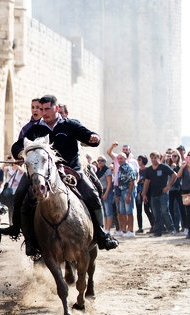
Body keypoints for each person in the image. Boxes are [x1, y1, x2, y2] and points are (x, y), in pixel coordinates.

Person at [11, 94, 119, 254]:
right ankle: (28, 240)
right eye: (41, 109)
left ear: (56, 108)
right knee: (22, 197)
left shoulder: (70, 125)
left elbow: (89, 136)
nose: (44, 112)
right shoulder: (35, 130)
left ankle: (102, 234)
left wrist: (93, 138)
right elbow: (17, 146)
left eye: (47, 109)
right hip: (43, 173)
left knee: (92, 195)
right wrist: (20, 153)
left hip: (72, 171)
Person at [0, 98, 41, 237]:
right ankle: (16, 227)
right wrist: (19, 154)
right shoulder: (26, 129)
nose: (35, 110)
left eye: (38, 107)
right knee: (19, 196)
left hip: (48, 170)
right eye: (33, 107)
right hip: (31, 171)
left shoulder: (48, 127)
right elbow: (17, 145)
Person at [142, 152, 178, 237]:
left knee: (165, 211)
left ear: (159, 158)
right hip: (153, 194)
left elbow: (174, 175)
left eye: (155, 158)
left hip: (163, 193)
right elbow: (146, 182)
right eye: (152, 158)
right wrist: (144, 194)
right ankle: (158, 231)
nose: (154, 160)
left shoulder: (163, 167)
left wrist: (168, 186)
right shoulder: (149, 169)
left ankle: (171, 229)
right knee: (156, 213)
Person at [115, 152, 136, 237]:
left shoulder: (129, 167)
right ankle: (123, 229)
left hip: (128, 191)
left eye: (121, 158)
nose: (119, 160)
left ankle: (130, 230)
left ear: (125, 159)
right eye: (118, 158)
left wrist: (129, 195)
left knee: (129, 211)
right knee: (122, 211)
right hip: (121, 190)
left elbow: (132, 181)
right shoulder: (120, 168)